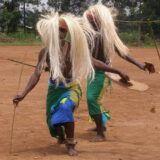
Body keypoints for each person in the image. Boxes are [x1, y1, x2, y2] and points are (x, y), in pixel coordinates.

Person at [13, 11, 130, 156]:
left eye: (63, 30)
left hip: (72, 88)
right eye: (57, 29)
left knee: (65, 108)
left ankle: (70, 144)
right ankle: (61, 135)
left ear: (68, 32)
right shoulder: (45, 52)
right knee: (54, 123)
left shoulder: (74, 48)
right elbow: (36, 73)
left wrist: (117, 71)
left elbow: (93, 62)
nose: (60, 33)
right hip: (54, 90)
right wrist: (23, 93)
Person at [82, 3, 155, 142]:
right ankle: (100, 125)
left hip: (103, 74)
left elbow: (122, 53)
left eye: (92, 19)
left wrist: (140, 65)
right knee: (95, 99)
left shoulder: (105, 35)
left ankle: (101, 133)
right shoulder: (89, 35)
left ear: (98, 20)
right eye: (89, 19)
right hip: (93, 72)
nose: (89, 21)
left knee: (92, 99)